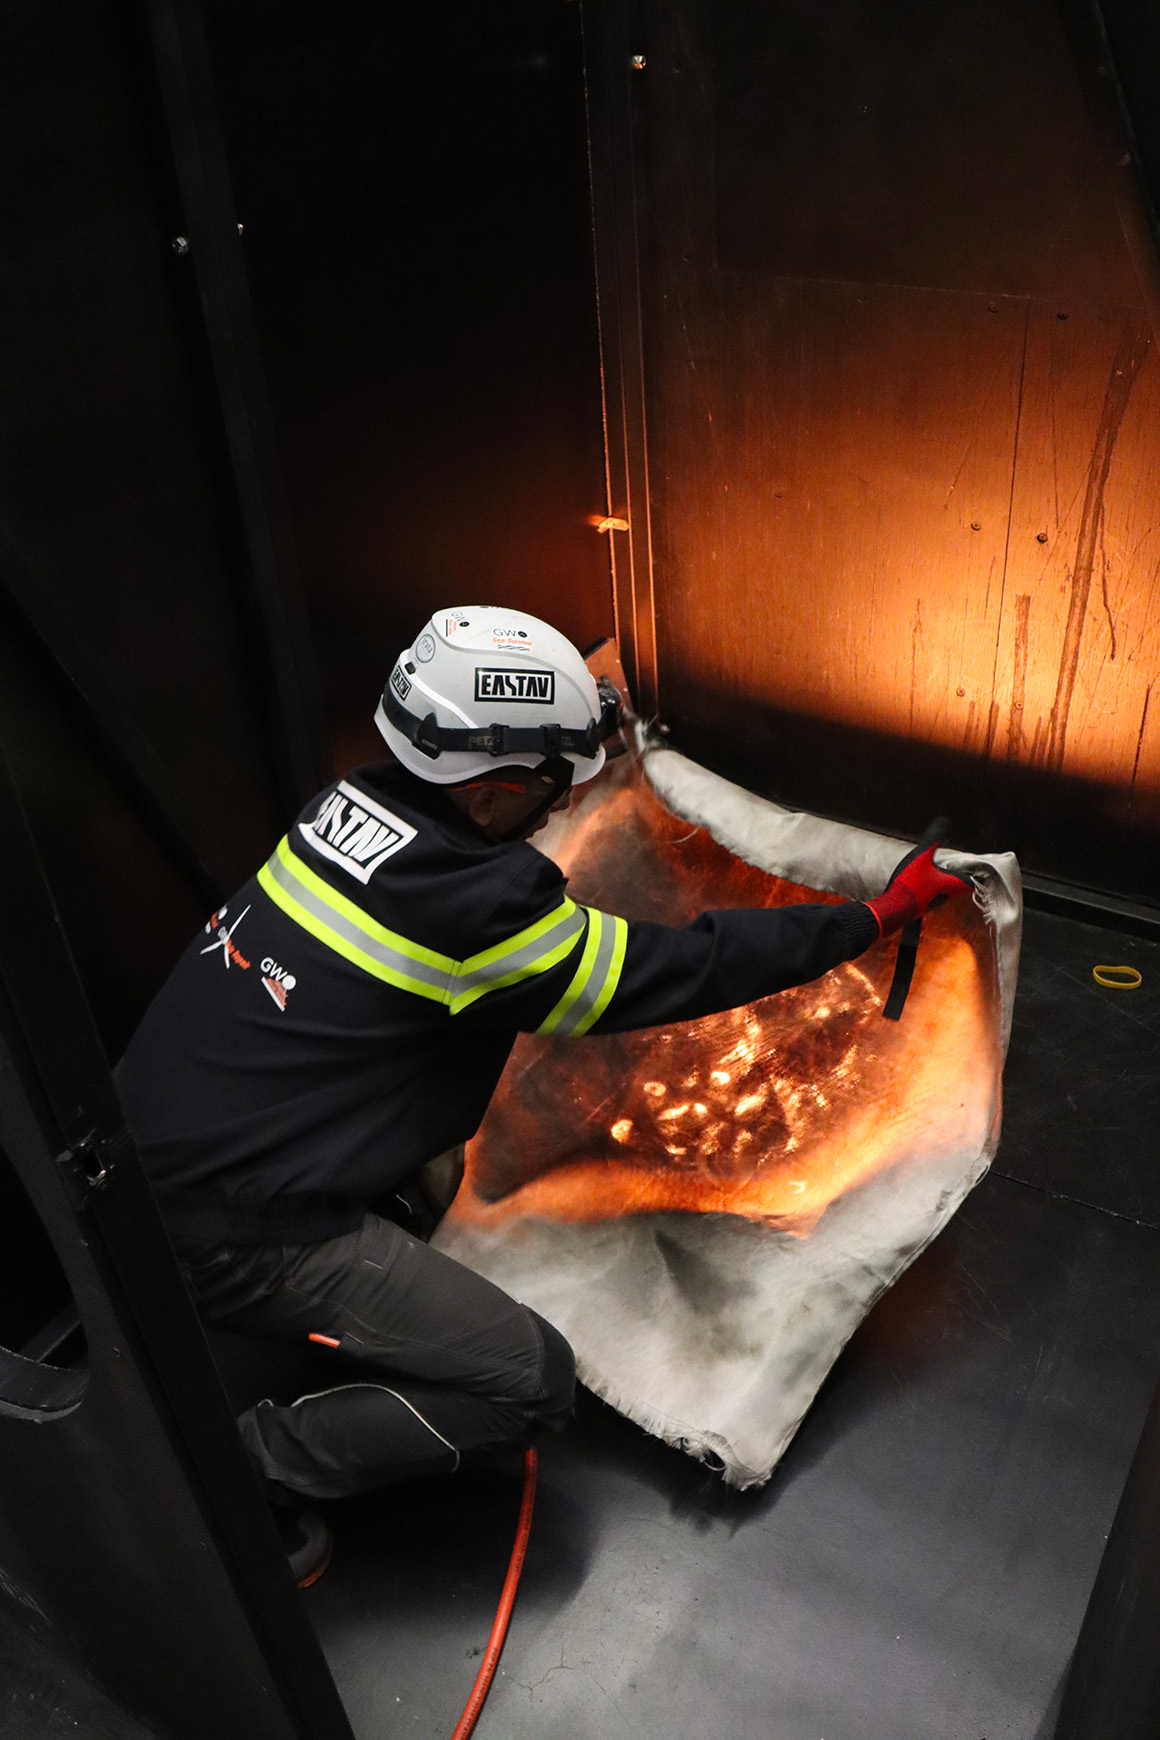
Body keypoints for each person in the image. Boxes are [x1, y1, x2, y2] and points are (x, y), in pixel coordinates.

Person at [115, 605, 970, 1584]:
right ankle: (242, 1470)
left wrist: (590, 715)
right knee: (529, 1382)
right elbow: (682, 969)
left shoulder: (347, 807)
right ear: (491, 792)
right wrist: (865, 916)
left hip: (137, 1151)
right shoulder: (477, 911)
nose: (562, 805)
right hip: (231, 1228)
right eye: (551, 788)